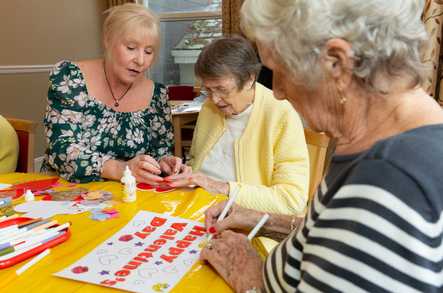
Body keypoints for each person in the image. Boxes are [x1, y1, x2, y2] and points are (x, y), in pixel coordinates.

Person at [200, 0, 443, 292]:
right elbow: (335, 235)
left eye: (279, 70)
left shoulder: (386, 181)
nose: (276, 92)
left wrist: (251, 281)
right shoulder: (397, 140)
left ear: (337, 62)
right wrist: (259, 219)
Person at [43, 4, 186, 183]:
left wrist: (163, 163)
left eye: (148, 51)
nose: (140, 60)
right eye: (131, 48)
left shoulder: (157, 95)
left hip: (129, 199)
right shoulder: (70, 77)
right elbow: (60, 150)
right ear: (107, 40)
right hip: (65, 194)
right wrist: (121, 169)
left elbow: (159, 153)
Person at [166, 37, 309, 214]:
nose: (215, 99)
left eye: (222, 89)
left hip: (244, 219)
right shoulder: (209, 108)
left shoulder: (281, 115)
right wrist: (185, 171)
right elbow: (197, 162)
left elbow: (291, 200)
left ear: (249, 79)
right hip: (196, 206)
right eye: (208, 90)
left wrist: (221, 187)